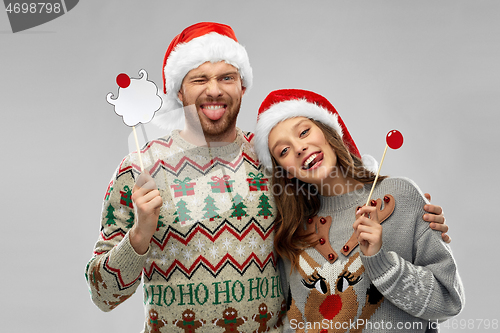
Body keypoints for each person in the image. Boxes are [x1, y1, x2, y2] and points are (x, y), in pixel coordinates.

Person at [85, 22, 451, 332]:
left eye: (226, 77)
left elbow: (337, 201)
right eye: (199, 79)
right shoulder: (140, 171)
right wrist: (138, 237)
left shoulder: (274, 161)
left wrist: (409, 215)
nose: (214, 89)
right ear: (179, 90)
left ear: (242, 86)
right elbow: (103, 296)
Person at [253, 89, 464, 332]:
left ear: (328, 132)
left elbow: (448, 301)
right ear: (284, 170)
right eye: (284, 151)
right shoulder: (292, 234)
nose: (299, 147)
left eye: (304, 131)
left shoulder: (398, 195)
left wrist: (381, 262)